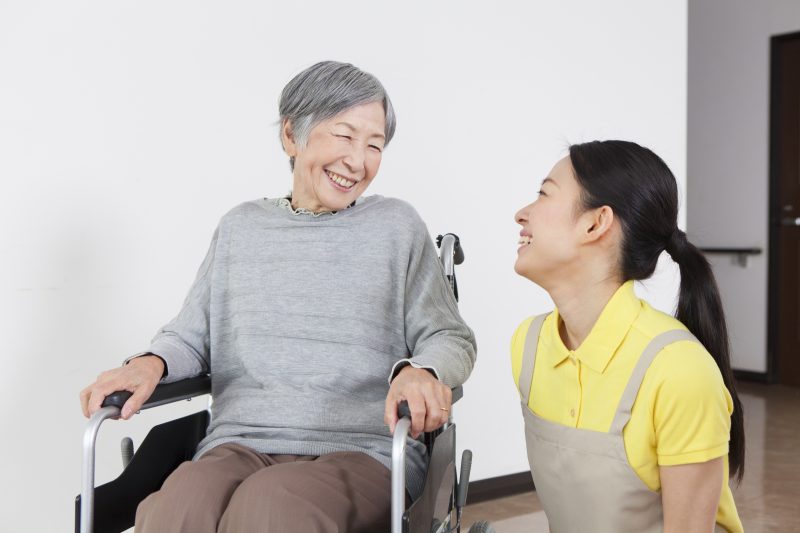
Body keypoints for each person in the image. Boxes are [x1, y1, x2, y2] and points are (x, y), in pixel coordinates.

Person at [79, 61, 476, 532]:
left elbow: (449, 336)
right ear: (291, 135)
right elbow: (190, 337)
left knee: (271, 506)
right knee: (174, 507)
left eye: (375, 145)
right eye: (345, 136)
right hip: (238, 443)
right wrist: (150, 362)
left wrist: (421, 369)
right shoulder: (241, 227)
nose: (358, 160)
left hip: (362, 450)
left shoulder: (396, 227)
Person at [511, 140, 744, 533]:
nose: (521, 214)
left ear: (595, 223)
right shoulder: (529, 345)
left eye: (543, 194)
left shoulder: (678, 371)